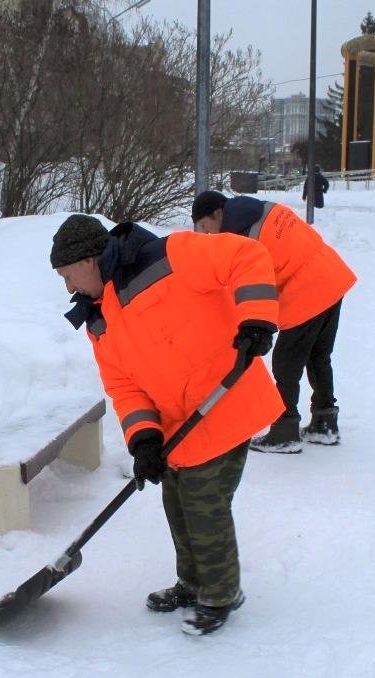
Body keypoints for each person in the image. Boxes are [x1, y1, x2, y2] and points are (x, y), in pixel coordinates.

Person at [50, 213, 283, 636]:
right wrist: (143, 440)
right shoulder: (97, 318)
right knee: (176, 503)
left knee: (203, 502)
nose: (68, 288)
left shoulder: (168, 255)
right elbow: (124, 386)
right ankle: (193, 583)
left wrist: (256, 317)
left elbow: (246, 255)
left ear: (89, 259)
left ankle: (221, 593)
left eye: (68, 275)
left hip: (225, 401)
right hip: (179, 426)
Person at [191, 191, 356, 452]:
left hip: (307, 291)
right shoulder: (262, 209)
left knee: (285, 363)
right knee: (318, 356)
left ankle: (285, 431)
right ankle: (325, 423)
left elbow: (255, 286)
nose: (205, 233)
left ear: (218, 214)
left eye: (204, 225)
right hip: (331, 276)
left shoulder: (242, 238)